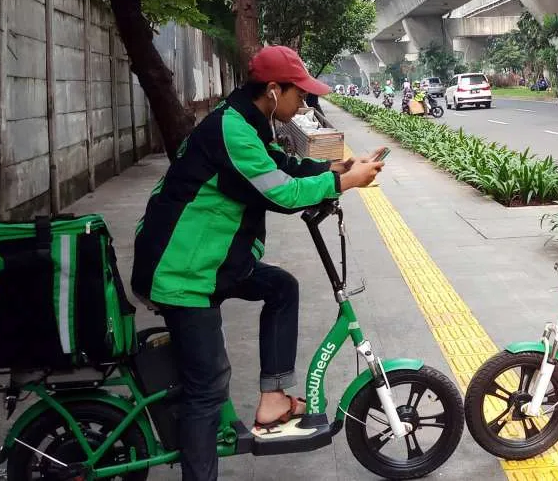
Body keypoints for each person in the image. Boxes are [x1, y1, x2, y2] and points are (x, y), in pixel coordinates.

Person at [132, 45, 385, 481]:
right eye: (299, 94)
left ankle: (273, 400)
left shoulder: (245, 121)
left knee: (281, 288)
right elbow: (280, 193)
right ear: (272, 90)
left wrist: (339, 167)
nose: (303, 103)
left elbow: (281, 166)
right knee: (207, 390)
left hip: (211, 262)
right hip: (183, 273)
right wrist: (343, 183)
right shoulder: (231, 130)